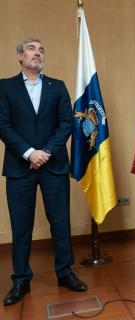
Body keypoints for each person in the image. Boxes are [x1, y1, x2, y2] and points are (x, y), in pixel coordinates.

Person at [0, 37, 87, 306]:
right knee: (21, 226)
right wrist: (29, 153)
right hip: (19, 167)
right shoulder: (4, 87)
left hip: (54, 165)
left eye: (41, 50)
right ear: (19, 56)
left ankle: (65, 272)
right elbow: (3, 125)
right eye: (31, 49)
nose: (37, 53)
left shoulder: (57, 86)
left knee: (60, 222)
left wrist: (45, 152)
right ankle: (21, 280)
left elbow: (66, 124)